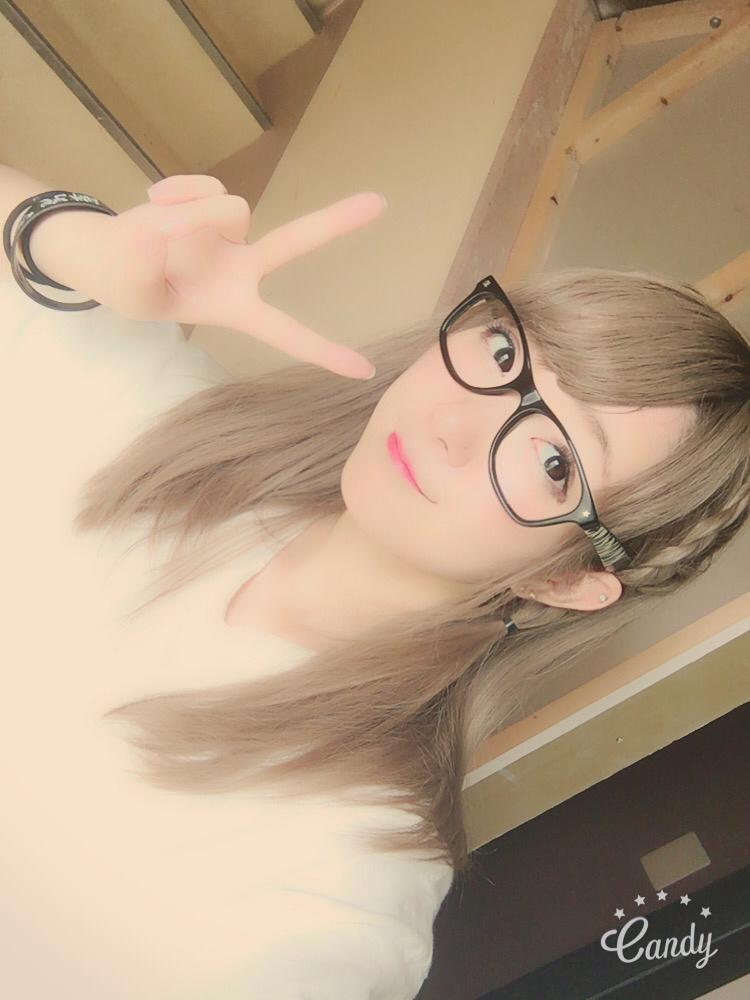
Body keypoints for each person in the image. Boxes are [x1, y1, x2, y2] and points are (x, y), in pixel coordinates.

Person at [1, 166, 748, 999]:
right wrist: (74, 243)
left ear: (569, 580)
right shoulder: (163, 431)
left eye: (553, 463)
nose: (455, 423)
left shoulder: (341, 878)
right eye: (505, 353)